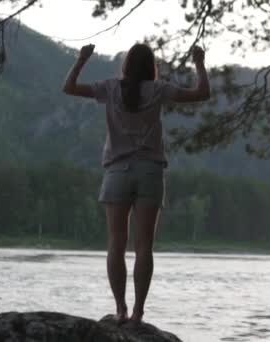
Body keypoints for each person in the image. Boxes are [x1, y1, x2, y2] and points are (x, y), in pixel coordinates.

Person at [62, 43, 210, 323]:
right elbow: (202, 93)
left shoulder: (110, 88)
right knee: (144, 247)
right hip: (150, 172)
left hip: (117, 172)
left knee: (115, 244)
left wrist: (82, 59)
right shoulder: (159, 90)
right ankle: (139, 312)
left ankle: (120, 309)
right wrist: (199, 63)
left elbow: (69, 87)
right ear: (151, 67)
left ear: (127, 66)